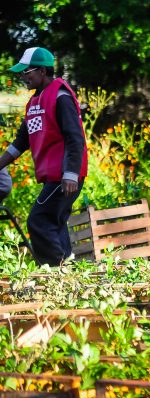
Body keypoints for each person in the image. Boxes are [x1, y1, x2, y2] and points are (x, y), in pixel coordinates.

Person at [0, 47, 88, 266]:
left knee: (39, 220)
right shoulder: (35, 102)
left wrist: (70, 174)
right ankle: (66, 269)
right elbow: (21, 141)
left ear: (41, 71)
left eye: (26, 71)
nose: (23, 76)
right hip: (54, 176)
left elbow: (75, 137)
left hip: (64, 176)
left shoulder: (61, 96)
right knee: (54, 222)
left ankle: (52, 272)